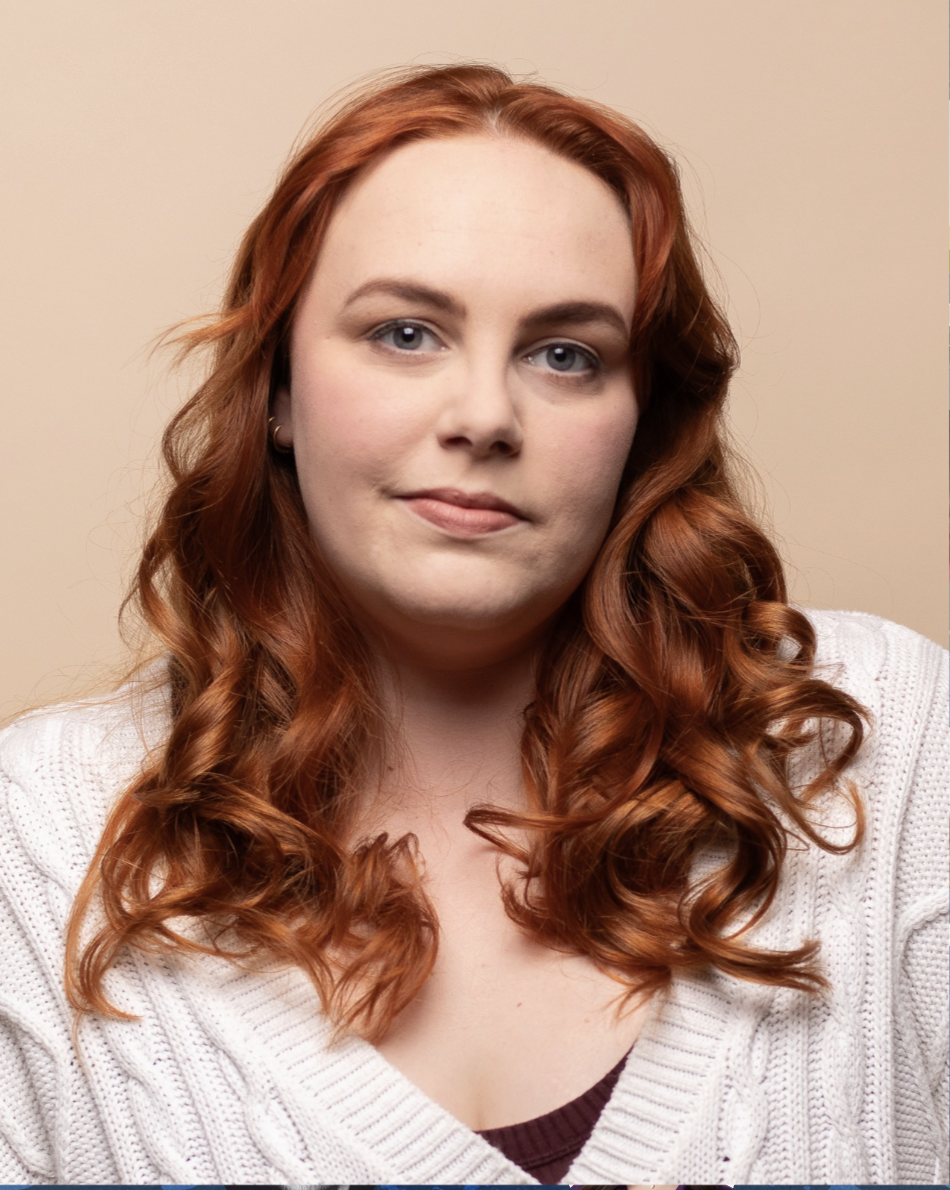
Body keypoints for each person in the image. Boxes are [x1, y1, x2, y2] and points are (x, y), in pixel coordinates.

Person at [0, 62, 945, 1186]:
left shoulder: (881, 747)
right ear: (279, 389)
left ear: (641, 419)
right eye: (404, 332)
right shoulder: (39, 840)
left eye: (565, 354)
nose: (485, 416)